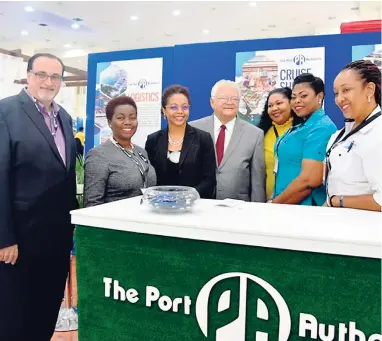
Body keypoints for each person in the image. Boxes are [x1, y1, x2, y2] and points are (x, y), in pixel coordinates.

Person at [0, 53, 77, 341]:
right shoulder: (6, 112)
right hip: (18, 243)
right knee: (13, 318)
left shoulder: (64, 117)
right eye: (41, 74)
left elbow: (66, 176)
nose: (48, 82)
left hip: (56, 242)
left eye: (55, 77)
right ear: (28, 75)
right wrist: (4, 237)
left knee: (45, 314)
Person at [190, 80, 265, 202]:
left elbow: (258, 182)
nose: (229, 102)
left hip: (238, 209)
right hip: (200, 204)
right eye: (223, 98)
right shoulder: (194, 129)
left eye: (234, 99)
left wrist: (257, 212)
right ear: (212, 102)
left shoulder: (254, 134)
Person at [272, 73, 337, 206]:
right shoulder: (301, 125)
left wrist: (275, 205)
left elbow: (309, 180)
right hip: (285, 204)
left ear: (319, 97)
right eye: (293, 97)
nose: (297, 101)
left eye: (304, 96)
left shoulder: (322, 127)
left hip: (304, 209)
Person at [325, 60, 381, 211]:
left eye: (346, 90)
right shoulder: (339, 134)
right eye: (336, 93)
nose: (339, 99)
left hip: (366, 230)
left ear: (369, 89)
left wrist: (338, 201)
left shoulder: (378, 132)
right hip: (338, 227)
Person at [145, 85, 216, 199]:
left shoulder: (203, 138)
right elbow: (151, 179)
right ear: (164, 111)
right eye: (173, 107)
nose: (180, 112)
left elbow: (209, 180)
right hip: (162, 206)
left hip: (194, 206)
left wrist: (187, 196)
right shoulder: (153, 140)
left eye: (184, 107)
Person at [84, 96, 156, 207]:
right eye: (120, 118)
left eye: (132, 117)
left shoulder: (142, 152)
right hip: (116, 222)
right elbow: (92, 204)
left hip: (144, 221)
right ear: (109, 122)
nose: (128, 122)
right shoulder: (98, 155)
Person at [258, 87, 303, 200]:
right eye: (270, 106)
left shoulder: (303, 130)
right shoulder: (261, 133)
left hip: (295, 199)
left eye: (279, 103)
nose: (274, 108)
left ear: (291, 103)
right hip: (266, 202)